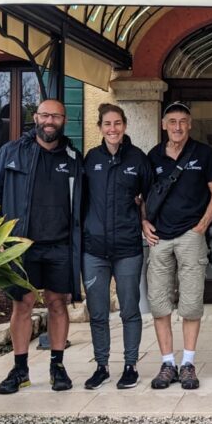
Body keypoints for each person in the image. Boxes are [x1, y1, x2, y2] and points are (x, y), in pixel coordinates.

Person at [0, 98, 83, 395]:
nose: (49, 120)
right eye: (45, 115)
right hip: (20, 245)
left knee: (57, 304)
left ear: (64, 120)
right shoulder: (11, 152)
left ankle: (57, 366)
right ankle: (20, 369)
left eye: (56, 115)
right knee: (23, 304)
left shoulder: (73, 157)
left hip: (59, 245)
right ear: (35, 117)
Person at [143, 102, 212, 391]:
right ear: (164, 124)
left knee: (190, 304)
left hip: (190, 236)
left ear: (190, 124)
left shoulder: (203, 154)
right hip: (159, 238)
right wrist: (144, 223)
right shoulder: (152, 157)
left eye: (183, 121)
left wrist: (201, 226)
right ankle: (167, 363)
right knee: (159, 303)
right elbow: (142, 195)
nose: (177, 127)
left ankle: (188, 363)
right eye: (172, 121)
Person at [80, 104, 153, 391]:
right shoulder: (91, 159)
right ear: (100, 127)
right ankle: (101, 366)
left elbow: (150, 195)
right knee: (97, 312)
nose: (113, 129)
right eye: (107, 124)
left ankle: (130, 365)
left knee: (129, 310)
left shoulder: (138, 159)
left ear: (125, 125)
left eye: (118, 123)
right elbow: (81, 200)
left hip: (127, 248)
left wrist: (146, 219)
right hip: (94, 249)